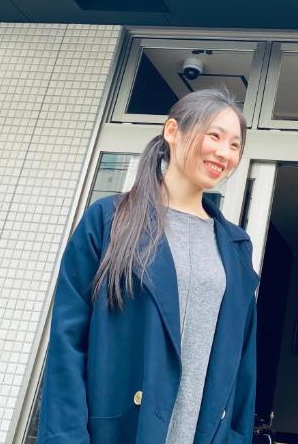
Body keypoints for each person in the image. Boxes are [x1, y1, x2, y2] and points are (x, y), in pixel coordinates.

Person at [38, 89, 258, 444]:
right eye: (214, 136)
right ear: (172, 131)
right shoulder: (109, 221)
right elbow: (67, 343)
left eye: (235, 145)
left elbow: (243, 368)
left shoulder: (235, 248)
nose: (224, 153)